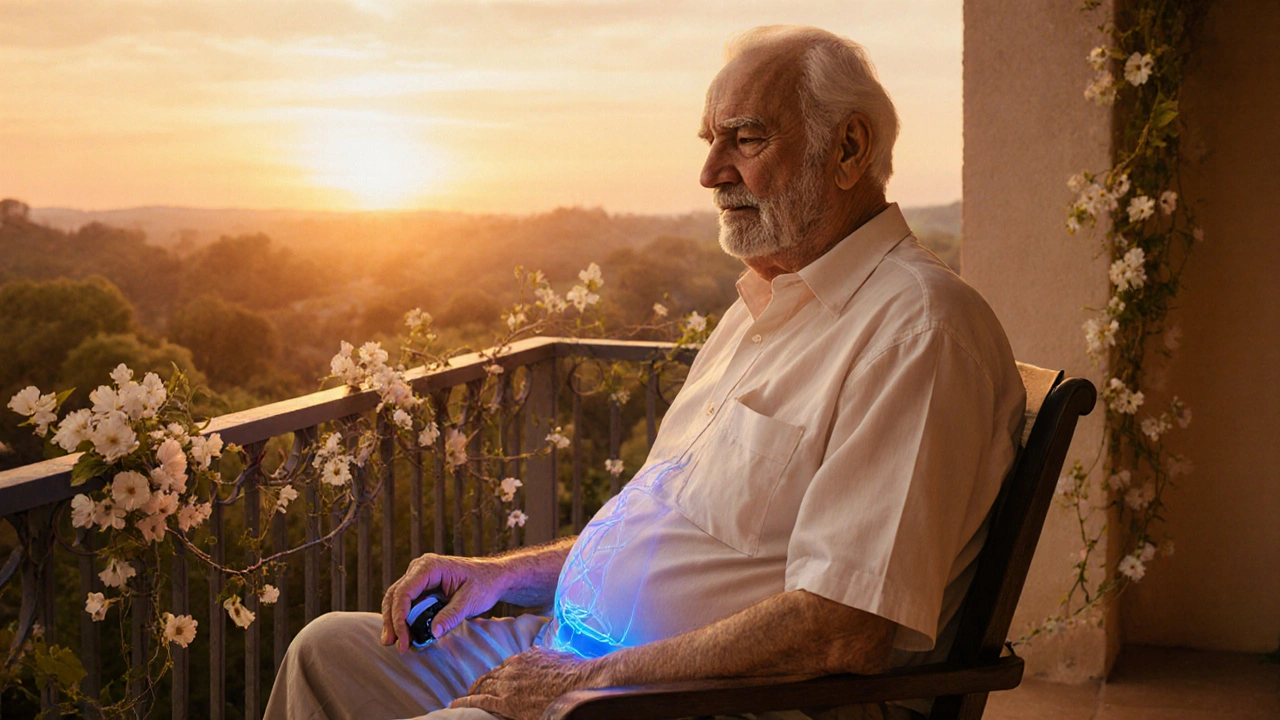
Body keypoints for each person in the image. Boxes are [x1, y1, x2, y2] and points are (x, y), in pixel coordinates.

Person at [264, 25, 1025, 720]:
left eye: (745, 139)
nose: (709, 171)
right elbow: (669, 538)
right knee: (325, 653)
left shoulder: (916, 332)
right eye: (709, 140)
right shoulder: (764, 309)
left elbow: (839, 631)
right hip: (595, 660)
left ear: (849, 150)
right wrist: (501, 577)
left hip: (698, 698)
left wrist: (584, 684)